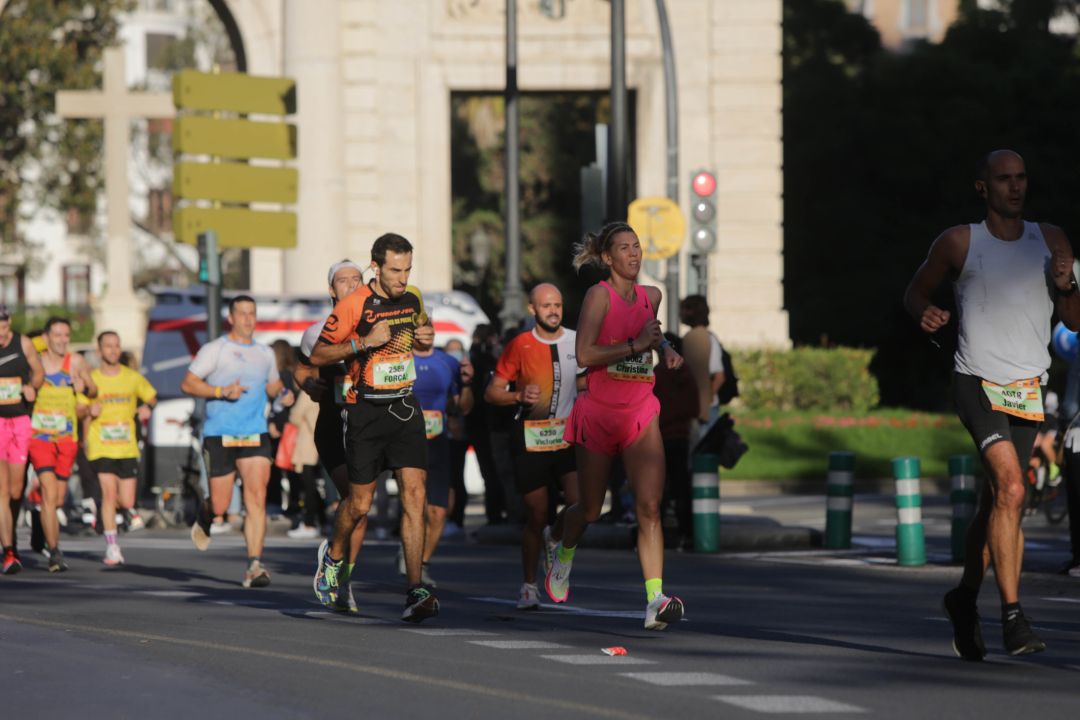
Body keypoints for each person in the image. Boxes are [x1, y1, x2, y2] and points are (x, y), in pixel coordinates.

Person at [903, 149, 1080, 659]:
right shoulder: (960, 241)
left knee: (999, 505)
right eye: (1004, 179)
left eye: (1022, 177)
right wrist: (927, 313)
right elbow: (915, 292)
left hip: (1027, 387)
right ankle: (1013, 617)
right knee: (1010, 487)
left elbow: (1074, 319)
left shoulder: (1050, 239)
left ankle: (963, 598)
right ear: (984, 188)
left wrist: (1067, 283)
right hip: (975, 381)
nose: (1015, 187)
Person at [544, 222, 686, 630]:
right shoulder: (598, 297)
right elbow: (585, 353)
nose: (634, 254)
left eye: (637, 246)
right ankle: (561, 545)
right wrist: (637, 346)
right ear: (608, 258)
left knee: (650, 506)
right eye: (624, 248)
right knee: (589, 509)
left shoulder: (651, 296)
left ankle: (654, 599)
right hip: (600, 411)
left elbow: (649, 333)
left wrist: (665, 348)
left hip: (640, 409)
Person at [310, 233, 439, 623]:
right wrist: (361, 343)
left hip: (404, 408)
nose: (402, 278)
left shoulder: (412, 297)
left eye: (407, 270)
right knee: (360, 505)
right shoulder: (354, 305)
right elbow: (318, 353)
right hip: (366, 412)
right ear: (376, 266)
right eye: (395, 270)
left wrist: (425, 336)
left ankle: (415, 589)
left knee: (415, 497)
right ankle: (333, 556)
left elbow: (422, 329)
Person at [181, 295, 294, 588]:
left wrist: (283, 393)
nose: (248, 319)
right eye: (242, 313)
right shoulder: (215, 350)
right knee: (220, 504)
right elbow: (188, 382)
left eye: (252, 313)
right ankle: (205, 514)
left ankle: (254, 565)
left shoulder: (265, 353)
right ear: (231, 318)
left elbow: (271, 384)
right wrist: (220, 391)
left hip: (254, 433)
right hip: (219, 433)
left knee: (255, 499)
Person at [486, 283, 584, 610]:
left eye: (557, 304)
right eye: (546, 306)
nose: (554, 311)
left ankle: (555, 538)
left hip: (567, 436)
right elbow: (492, 392)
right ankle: (529, 585)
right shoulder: (520, 345)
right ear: (532, 310)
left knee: (580, 503)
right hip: (530, 438)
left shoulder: (577, 341)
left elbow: (586, 378)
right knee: (536, 514)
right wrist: (517, 395)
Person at [293, 259, 367, 613]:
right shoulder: (318, 330)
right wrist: (309, 384)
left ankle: (343, 582)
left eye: (357, 279)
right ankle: (334, 562)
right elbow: (302, 367)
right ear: (331, 290)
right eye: (344, 280)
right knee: (353, 497)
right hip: (334, 424)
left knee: (362, 510)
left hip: (370, 425)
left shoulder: (377, 324)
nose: (352, 285)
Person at [29, 316, 97, 572]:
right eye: (57, 335)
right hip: (40, 437)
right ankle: (55, 553)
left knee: (56, 499)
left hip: (67, 438)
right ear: (47, 337)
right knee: (48, 491)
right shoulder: (36, 363)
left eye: (66, 335)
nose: (62, 340)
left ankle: (38, 523)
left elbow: (93, 390)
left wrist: (85, 384)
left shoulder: (76, 361)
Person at [85, 331, 156, 566]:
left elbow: (152, 397)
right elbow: (78, 407)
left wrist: (147, 408)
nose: (113, 350)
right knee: (109, 494)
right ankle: (112, 546)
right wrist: (88, 411)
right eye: (108, 346)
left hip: (126, 447)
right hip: (101, 445)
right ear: (99, 351)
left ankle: (112, 516)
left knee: (126, 501)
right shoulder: (92, 379)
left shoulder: (132, 377)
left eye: (116, 346)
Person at [412, 316, 473, 586]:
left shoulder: (447, 362)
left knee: (438, 511)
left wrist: (468, 383)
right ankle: (410, 552)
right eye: (420, 329)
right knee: (414, 505)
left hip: (438, 440)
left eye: (430, 328)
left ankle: (422, 561)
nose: (427, 333)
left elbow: (463, 406)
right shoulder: (400, 361)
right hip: (406, 442)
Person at [0, 306, 44, 574]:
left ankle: (10, 534)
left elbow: (38, 372)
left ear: (9, 323)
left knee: (17, 491)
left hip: (20, 421)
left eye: (3, 327)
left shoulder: (23, 342)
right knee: (2, 492)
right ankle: (9, 552)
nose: (0, 333)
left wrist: (33, 386)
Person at [652, 332, 700, 550]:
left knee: (657, 489)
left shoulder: (658, 373)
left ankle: (655, 535)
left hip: (660, 436)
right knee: (682, 488)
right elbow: (693, 406)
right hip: (680, 435)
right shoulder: (686, 372)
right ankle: (687, 534)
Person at [680, 295, 725, 434]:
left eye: (684, 309)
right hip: (698, 406)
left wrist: (707, 400)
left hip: (705, 409)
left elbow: (719, 376)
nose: (680, 313)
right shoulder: (697, 337)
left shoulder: (704, 338)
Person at [442, 338, 471, 535]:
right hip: (438, 434)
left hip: (458, 435)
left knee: (456, 478)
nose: (455, 354)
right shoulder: (441, 371)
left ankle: (456, 519)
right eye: (451, 351)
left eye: (458, 350)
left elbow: (465, 406)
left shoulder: (466, 375)